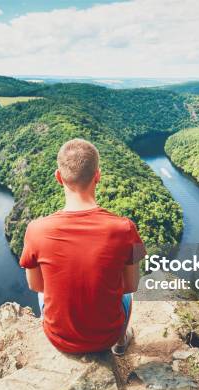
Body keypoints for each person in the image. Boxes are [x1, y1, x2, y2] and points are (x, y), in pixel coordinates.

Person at [19, 138, 146, 356]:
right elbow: (131, 285)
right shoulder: (124, 228)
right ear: (98, 176)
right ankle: (121, 342)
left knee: (45, 292)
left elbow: (35, 285)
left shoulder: (36, 230)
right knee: (128, 298)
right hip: (107, 336)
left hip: (59, 339)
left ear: (58, 177)